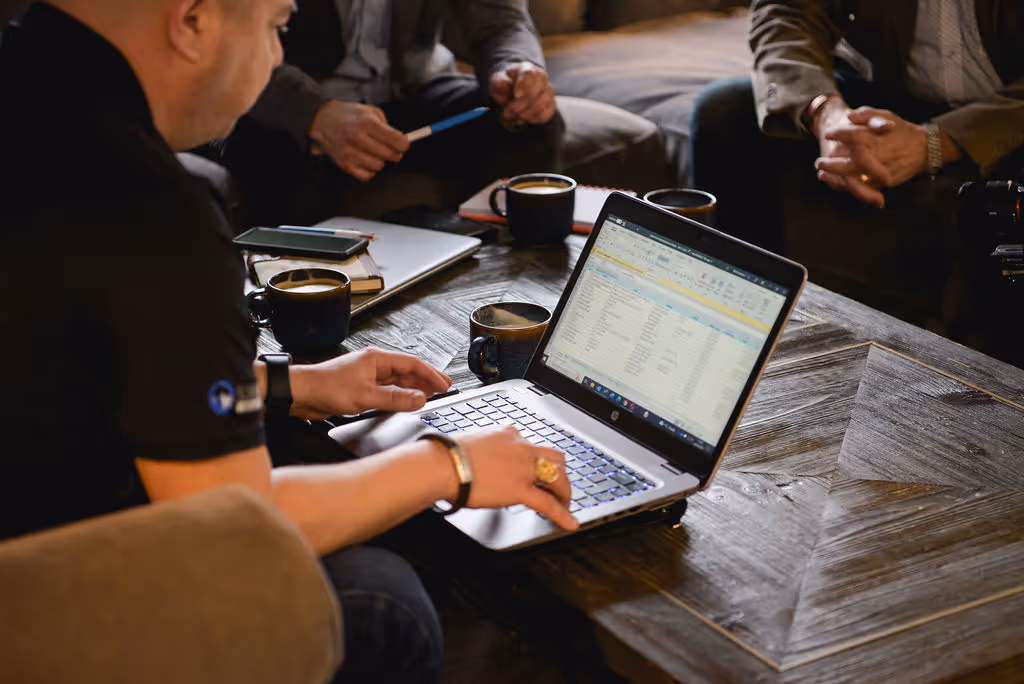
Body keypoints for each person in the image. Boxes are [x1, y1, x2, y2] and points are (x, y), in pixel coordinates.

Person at [0, 2, 576, 682]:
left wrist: (284, 382)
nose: (278, 58)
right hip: (33, 594)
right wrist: (448, 464)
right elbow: (230, 527)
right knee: (378, 597)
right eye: (277, 27)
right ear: (192, 21)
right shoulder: (151, 200)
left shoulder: (25, 80)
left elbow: (55, 353)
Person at [690, 0, 1024, 363]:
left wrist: (939, 142)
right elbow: (786, 10)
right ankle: (742, 330)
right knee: (724, 114)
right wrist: (827, 115)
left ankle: (990, 386)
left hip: (1009, 113)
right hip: (894, 91)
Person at [218, 0, 564, 228]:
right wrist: (314, 113)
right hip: (298, 104)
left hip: (413, 93)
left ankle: (504, 300)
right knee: (266, 149)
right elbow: (228, 42)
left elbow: (502, 20)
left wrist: (517, 66)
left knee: (530, 125)